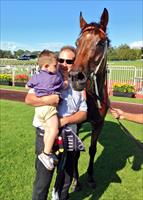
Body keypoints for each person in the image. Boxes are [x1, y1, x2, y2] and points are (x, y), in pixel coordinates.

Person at [25, 46, 87, 200]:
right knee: (43, 181)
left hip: (70, 134)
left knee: (66, 179)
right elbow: (29, 99)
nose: (64, 64)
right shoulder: (46, 75)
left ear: (74, 63)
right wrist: (47, 99)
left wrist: (64, 120)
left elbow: (83, 113)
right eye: (61, 60)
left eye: (69, 61)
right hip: (46, 134)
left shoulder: (79, 82)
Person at [26, 50, 68, 171]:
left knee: (48, 130)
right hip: (49, 108)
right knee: (54, 130)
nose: (57, 67)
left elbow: (28, 85)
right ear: (46, 66)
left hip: (39, 110)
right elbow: (63, 85)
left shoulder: (36, 76)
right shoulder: (54, 77)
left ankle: (47, 152)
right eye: (55, 65)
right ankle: (45, 154)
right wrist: (65, 80)